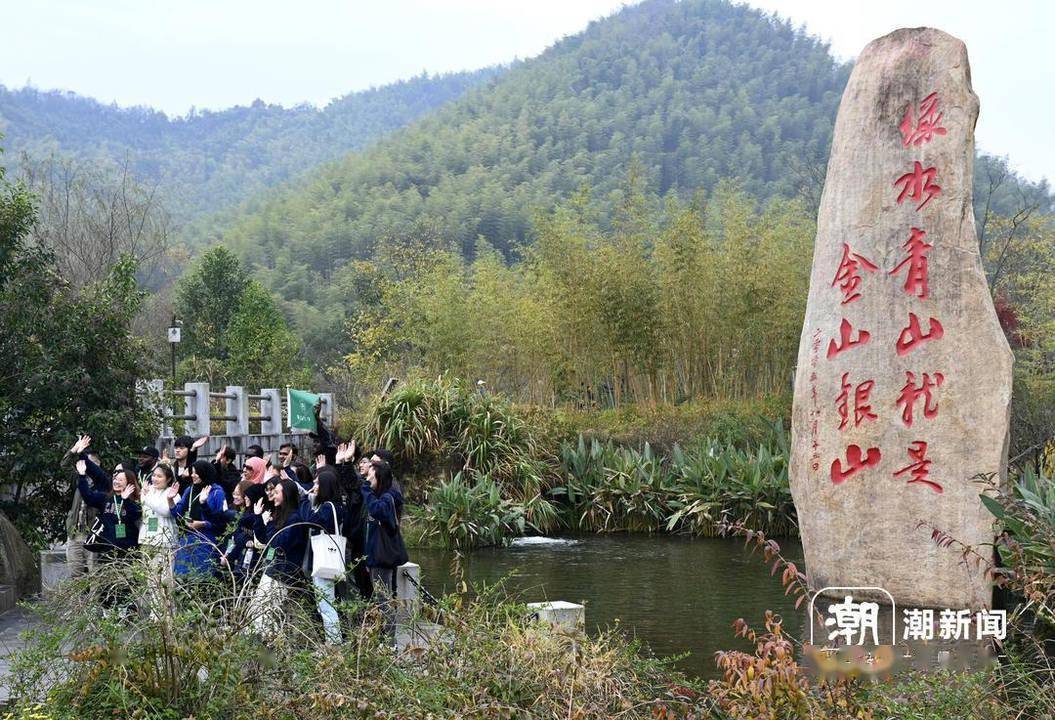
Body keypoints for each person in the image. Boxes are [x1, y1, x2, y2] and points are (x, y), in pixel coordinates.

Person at [248, 478, 308, 635]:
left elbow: (277, 543)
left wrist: (269, 525)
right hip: (272, 569)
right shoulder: (279, 515)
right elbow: (264, 540)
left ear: (286, 494)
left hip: (283, 574)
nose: (272, 495)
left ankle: (267, 646)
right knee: (258, 610)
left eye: (276, 492)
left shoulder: (295, 518)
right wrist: (258, 517)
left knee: (268, 613)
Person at [360, 459, 406, 639]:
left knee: (384, 599)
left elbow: (377, 510)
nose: (368, 475)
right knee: (380, 600)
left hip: (383, 558)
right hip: (374, 556)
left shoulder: (388, 497)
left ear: (379, 476)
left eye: (371, 471)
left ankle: (390, 642)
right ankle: (383, 638)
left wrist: (366, 489)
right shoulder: (378, 495)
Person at [300, 465, 345, 643]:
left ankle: (334, 643)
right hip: (328, 557)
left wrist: (304, 500)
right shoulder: (336, 505)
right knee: (326, 602)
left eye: (318, 483)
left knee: (326, 604)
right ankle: (334, 640)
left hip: (324, 559)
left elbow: (310, 520)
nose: (314, 486)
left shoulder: (328, 507)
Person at [171, 459, 227, 579]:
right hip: (187, 539)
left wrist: (203, 524)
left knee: (202, 578)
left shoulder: (217, 492)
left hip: (205, 540)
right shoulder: (189, 490)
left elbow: (221, 521)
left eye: (196, 472)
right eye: (192, 472)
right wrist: (170, 500)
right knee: (183, 577)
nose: (192, 475)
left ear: (204, 473)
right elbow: (178, 514)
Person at [64, 434, 99, 577]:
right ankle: (77, 601)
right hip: (75, 534)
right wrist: (74, 449)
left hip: (93, 535)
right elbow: (64, 465)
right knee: (75, 574)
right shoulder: (78, 479)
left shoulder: (103, 483)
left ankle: (94, 600)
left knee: (94, 574)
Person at [219, 480, 258, 587]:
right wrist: (226, 554)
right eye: (234, 493)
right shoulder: (235, 511)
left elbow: (239, 537)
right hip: (229, 555)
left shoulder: (249, 516)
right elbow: (232, 538)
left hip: (243, 561)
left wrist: (228, 557)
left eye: (238, 494)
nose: (235, 496)